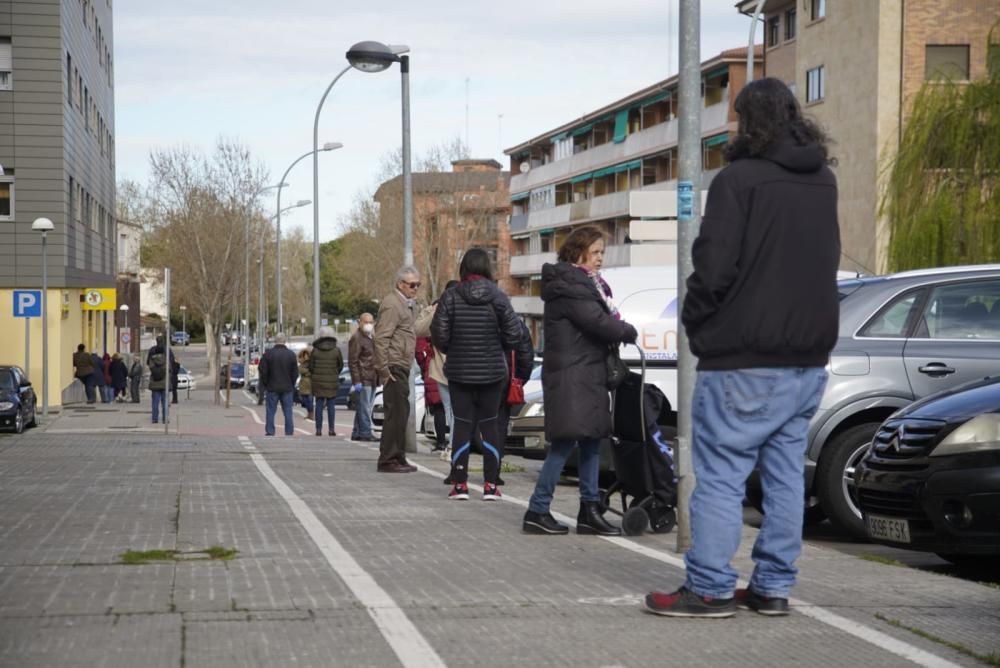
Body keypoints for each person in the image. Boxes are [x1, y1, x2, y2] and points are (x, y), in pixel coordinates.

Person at [643, 78, 839, 618]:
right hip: (806, 357)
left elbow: (714, 266)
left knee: (722, 475)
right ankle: (773, 586)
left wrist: (697, 322)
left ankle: (708, 587)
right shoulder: (823, 181)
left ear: (748, 123)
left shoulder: (739, 180)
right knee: (783, 477)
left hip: (744, 357)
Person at [522, 225, 638, 535]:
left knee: (591, 442)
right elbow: (597, 322)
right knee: (565, 443)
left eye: (603, 252)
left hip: (585, 373)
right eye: (596, 252)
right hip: (574, 376)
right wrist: (626, 331)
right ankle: (537, 508)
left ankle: (589, 509)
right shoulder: (571, 285)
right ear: (579, 252)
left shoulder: (583, 284)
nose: (601, 258)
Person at [431, 248, 525, 501]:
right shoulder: (499, 297)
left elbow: (437, 334)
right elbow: (516, 334)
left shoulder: (450, 297)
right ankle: (491, 486)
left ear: (464, 268)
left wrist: (454, 350)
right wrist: (498, 349)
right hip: (493, 373)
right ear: (487, 268)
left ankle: (460, 484)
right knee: (490, 425)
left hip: (459, 372)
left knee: (461, 424)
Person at [373, 266, 420, 473]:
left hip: (401, 364)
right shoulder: (393, 305)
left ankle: (398, 456)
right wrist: (384, 370)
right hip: (393, 365)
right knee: (395, 413)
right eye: (412, 285)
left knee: (402, 412)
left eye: (418, 285)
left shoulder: (407, 305)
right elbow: (381, 337)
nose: (415, 288)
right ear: (400, 284)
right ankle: (388, 459)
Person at [415, 281, 457, 461]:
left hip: (448, 368)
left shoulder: (442, 311)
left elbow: (418, 328)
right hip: (449, 369)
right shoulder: (444, 311)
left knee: (452, 411)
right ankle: (453, 446)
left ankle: (453, 446)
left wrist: (434, 310)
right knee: (453, 411)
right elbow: (418, 330)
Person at [259, 333, 299, 436]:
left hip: (272, 386)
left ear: (275, 341)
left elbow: (263, 370)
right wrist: (292, 383)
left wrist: (266, 383)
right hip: (287, 387)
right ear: (284, 341)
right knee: (288, 411)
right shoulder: (291, 355)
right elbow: (295, 372)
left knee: (271, 410)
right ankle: (289, 431)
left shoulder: (268, 354)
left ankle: (270, 430)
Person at [347, 313, 376, 441]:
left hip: (372, 376)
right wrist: (357, 380)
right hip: (364, 377)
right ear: (360, 322)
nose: (368, 324)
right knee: (365, 407)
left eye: (370, 321)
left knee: (362, 406)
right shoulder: (357, 338)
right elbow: (353, 361)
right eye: (366, 322)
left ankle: (357, 431)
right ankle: (365, 432)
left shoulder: (370, 337)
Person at [310, 327, 344, 437]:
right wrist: (334, 373)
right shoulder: (336, 350)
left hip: (318, 381)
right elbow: (341, 365)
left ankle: (318, 429)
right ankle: (331, 429)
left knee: (319, 405)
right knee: (331, 405)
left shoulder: (315, 350)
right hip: (332, 380)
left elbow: (311, 366)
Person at [415, 336, 447, 452]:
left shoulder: (425, 338)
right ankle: (448, 443)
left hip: (432, 372)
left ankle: (441, 442)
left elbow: (419, 352)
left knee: (439, 410)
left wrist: (424, 368)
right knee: (448, 411)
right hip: (443, 372)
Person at [146, 337, 170, 424]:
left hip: (154, 382)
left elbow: (148, 364)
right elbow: (170, 366)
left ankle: (154, 419)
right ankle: (165, 419)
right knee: (165, 402)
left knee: (155, 402)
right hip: (164, 382)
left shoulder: (152, 352)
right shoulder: (167, 352)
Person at [297, 348, 314, 421]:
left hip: (310, 384)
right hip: (303, 384)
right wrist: (307, 372)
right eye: (304, 355)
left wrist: (307, 373)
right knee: (304, 400)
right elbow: (300, 370)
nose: (306, 356)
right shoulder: (301, 364)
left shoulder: (311, 363)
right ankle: (309, 412)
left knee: (309, 400)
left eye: (307, 355)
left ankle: (311, 414)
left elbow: (312, 372)